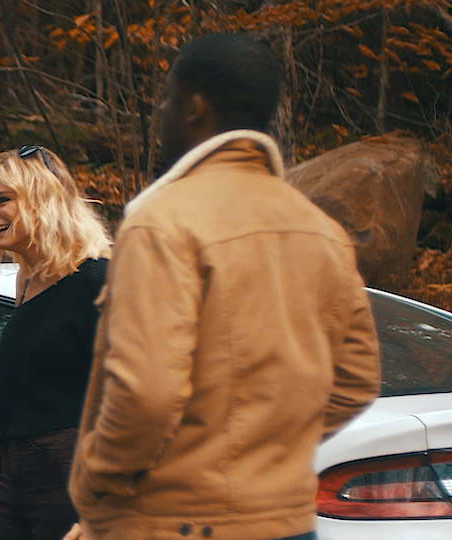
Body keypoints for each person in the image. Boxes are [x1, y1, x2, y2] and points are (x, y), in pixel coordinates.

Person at [67, 33, 381, 540]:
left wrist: (98, 484)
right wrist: (267, 448)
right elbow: (358, 378)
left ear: (193, 107)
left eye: (166, 98)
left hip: (172, 522)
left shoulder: (162, 222)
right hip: (285, 521)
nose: (161, 111)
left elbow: (146, 394)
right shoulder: (320, 229)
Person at [0, 145, 110, 540]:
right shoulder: (25, 282)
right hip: (11, 469)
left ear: (44, 198)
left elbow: (127, 396)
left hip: (70, 474)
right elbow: (15, 409)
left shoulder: (96, 281)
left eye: (3, 200)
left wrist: (102, 506)